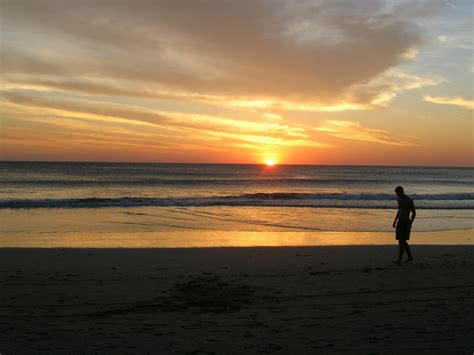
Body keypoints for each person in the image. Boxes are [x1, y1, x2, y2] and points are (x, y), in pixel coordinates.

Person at [392, 186, 416, 265]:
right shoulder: (399, 200)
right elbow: (399, 211)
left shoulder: (409, 200)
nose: (397, 195)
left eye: (398, 193)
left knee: (402, 241)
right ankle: (409, 256)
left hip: (406, 222)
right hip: (400, 222)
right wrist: (395, 220)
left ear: (402, 192)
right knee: (401, 240)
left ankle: (399, 260)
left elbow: (414, 213)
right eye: (396, 194)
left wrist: (410, 223)